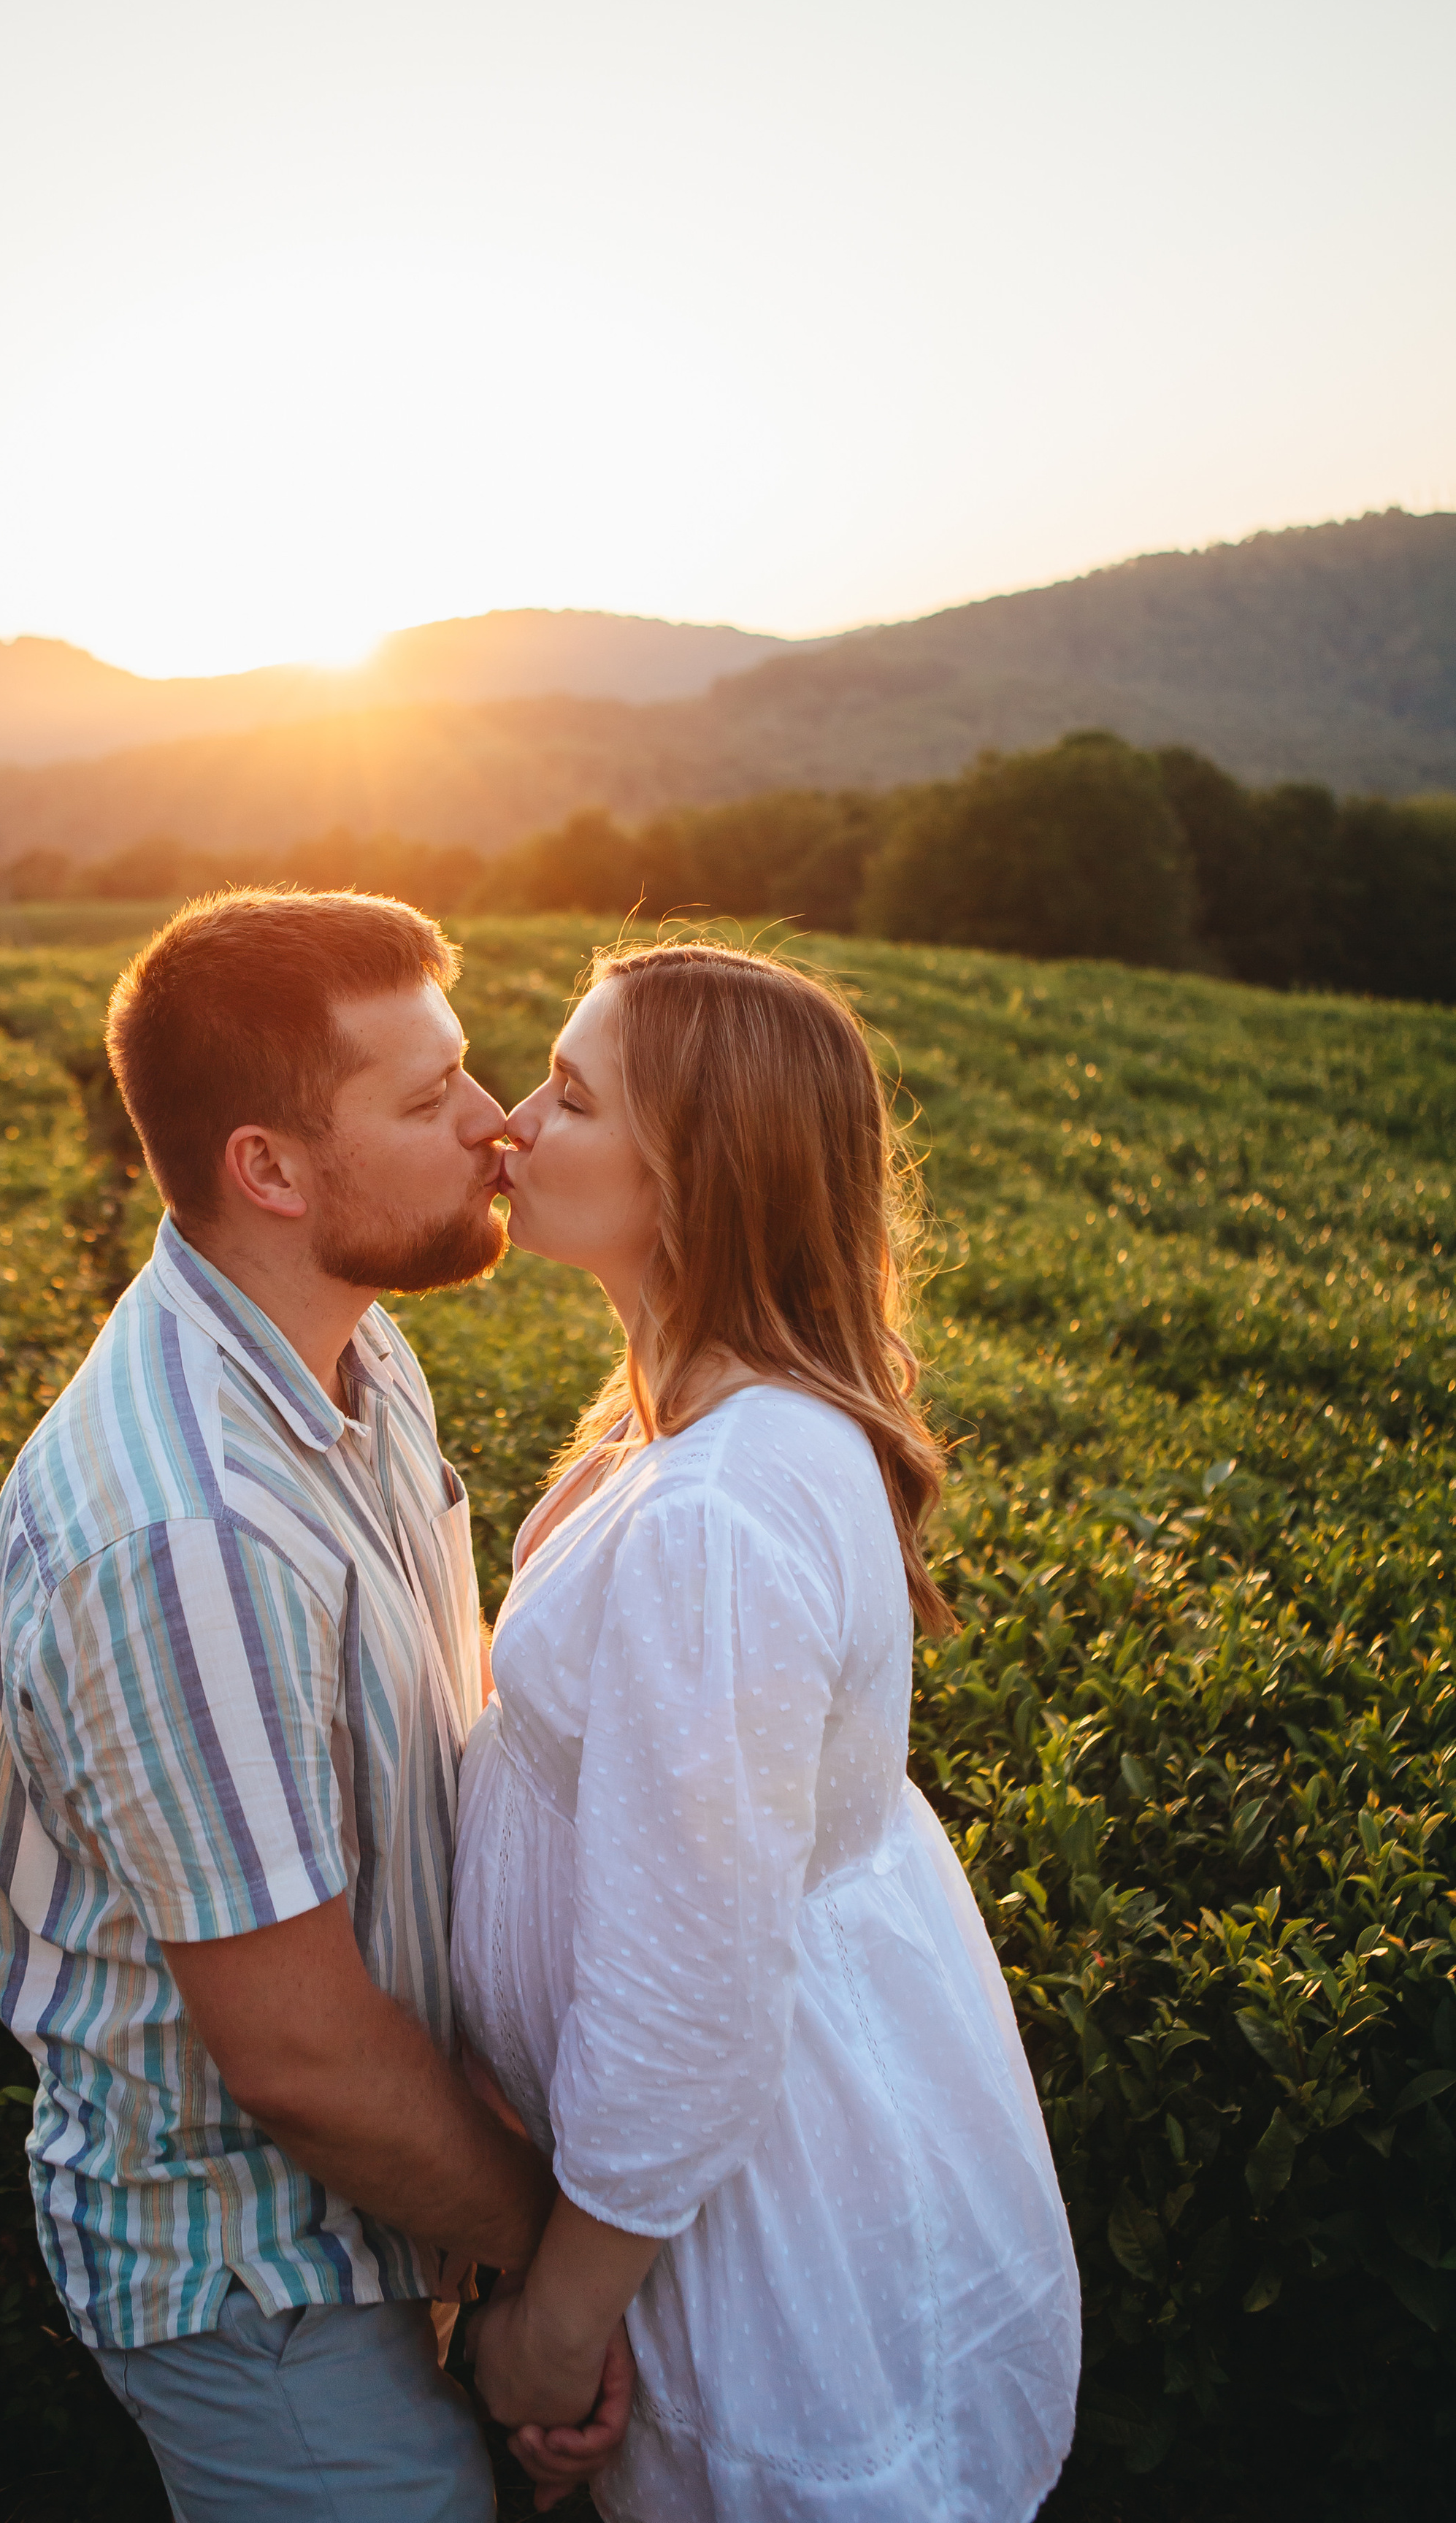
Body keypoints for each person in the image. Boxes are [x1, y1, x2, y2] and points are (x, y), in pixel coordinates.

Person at [0, 889, 629, 2522]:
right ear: (267, 1168)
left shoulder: (354, 1349)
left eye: (465, 1074)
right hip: (266, 2282)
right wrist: (548, 2267)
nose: (491, 1130)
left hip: (405, 2205)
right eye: (424, 1101)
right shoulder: (188, 1533)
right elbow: (301, 2055)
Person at [452, 938, 1081, 2521]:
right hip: (721, 2177)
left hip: (755, 2212)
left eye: (571, 1096)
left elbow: (687, 1997)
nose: (510, 1125)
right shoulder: (694, 1432)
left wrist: (552, 2327)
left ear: (696, 1176)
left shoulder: (718, 1512)